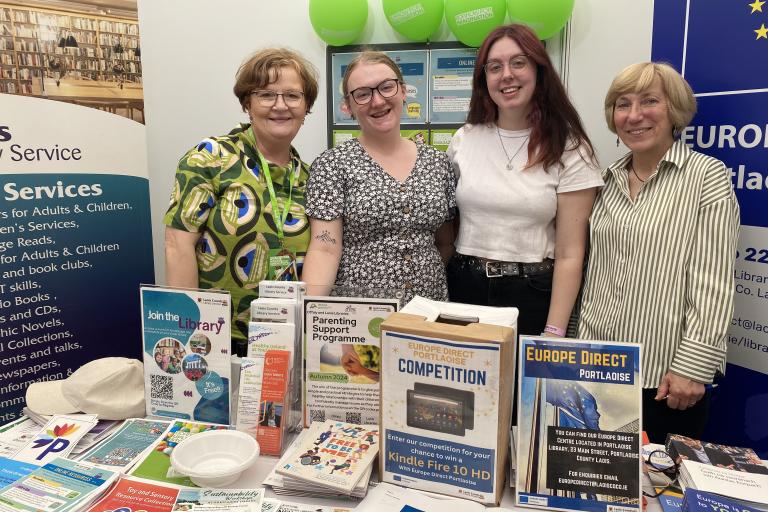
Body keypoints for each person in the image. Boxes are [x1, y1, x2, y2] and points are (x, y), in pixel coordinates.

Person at [578, 62, 739, 443]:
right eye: (622, 104)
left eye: (649, 101)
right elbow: (591, 274)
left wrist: (694, 367)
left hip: (666, 378)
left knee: (657, 493)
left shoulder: (706, 177)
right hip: (598, 368)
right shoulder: (606, 179)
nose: (634, 116)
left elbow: (714, 284)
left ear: (675, 111)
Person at [446, 24, 602, 336]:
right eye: (494, 67)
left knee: (519, 386)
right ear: (483, 79)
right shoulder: (465, 138)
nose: (506, 75)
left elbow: (571, 254)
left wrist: (554, 331)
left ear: (539, 71)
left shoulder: (569, 147)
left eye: (518, 62)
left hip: (531, 294)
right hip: (464, 287)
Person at [164, 48, 318, 354]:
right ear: (247, 103)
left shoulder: (309, 177)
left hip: (288, 337)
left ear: (306, 106)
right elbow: (177, 245)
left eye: (292, 95)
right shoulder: (211, 158)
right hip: (217, 338)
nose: (280, 105)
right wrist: (194, 336)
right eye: (266, 94)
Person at [302, 51, 455, 303]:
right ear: (348, 106)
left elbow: (445, 243)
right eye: (362, 94)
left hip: (428, 312)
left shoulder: (438, 163)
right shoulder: (332, 165)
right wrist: (308, 315)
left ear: (403, 91)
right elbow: (325, 249)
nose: (378, 100)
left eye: (386, 87)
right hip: (360, 318)